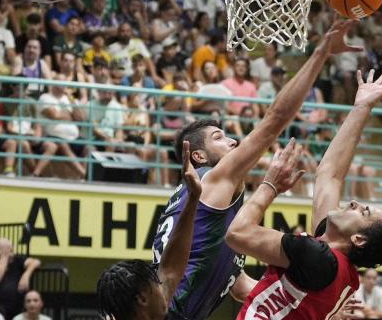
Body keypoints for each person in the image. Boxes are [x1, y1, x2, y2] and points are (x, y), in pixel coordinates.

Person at [152, 20, 366, 320]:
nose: (233, 140)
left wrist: (322, 305)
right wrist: (321, 53)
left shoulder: (207, 207)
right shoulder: (212, 181)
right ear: (198, 156)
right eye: (219, 137)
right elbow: (273, 123)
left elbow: (238, 287)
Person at [225, 70, 382, 318]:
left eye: (363, 211)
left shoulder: (317, 257)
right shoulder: (335, 266)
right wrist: (362, 107)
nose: (353, 202)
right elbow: (330, 174)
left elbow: (237, 234)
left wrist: (270, 186)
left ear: (358, 240)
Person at [98, 141, 201, 320]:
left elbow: (170, 270)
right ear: (143, 298)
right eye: (157, 285)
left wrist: (193, 198)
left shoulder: (155, 309)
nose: (163, 287)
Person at [0, 238, 41, 319]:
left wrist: (27, 274)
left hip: (17, 306)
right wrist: (4, 257)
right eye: (9, 251)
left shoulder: (16, 260)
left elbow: (36, 262)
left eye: (12, 250)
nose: (12, 254)